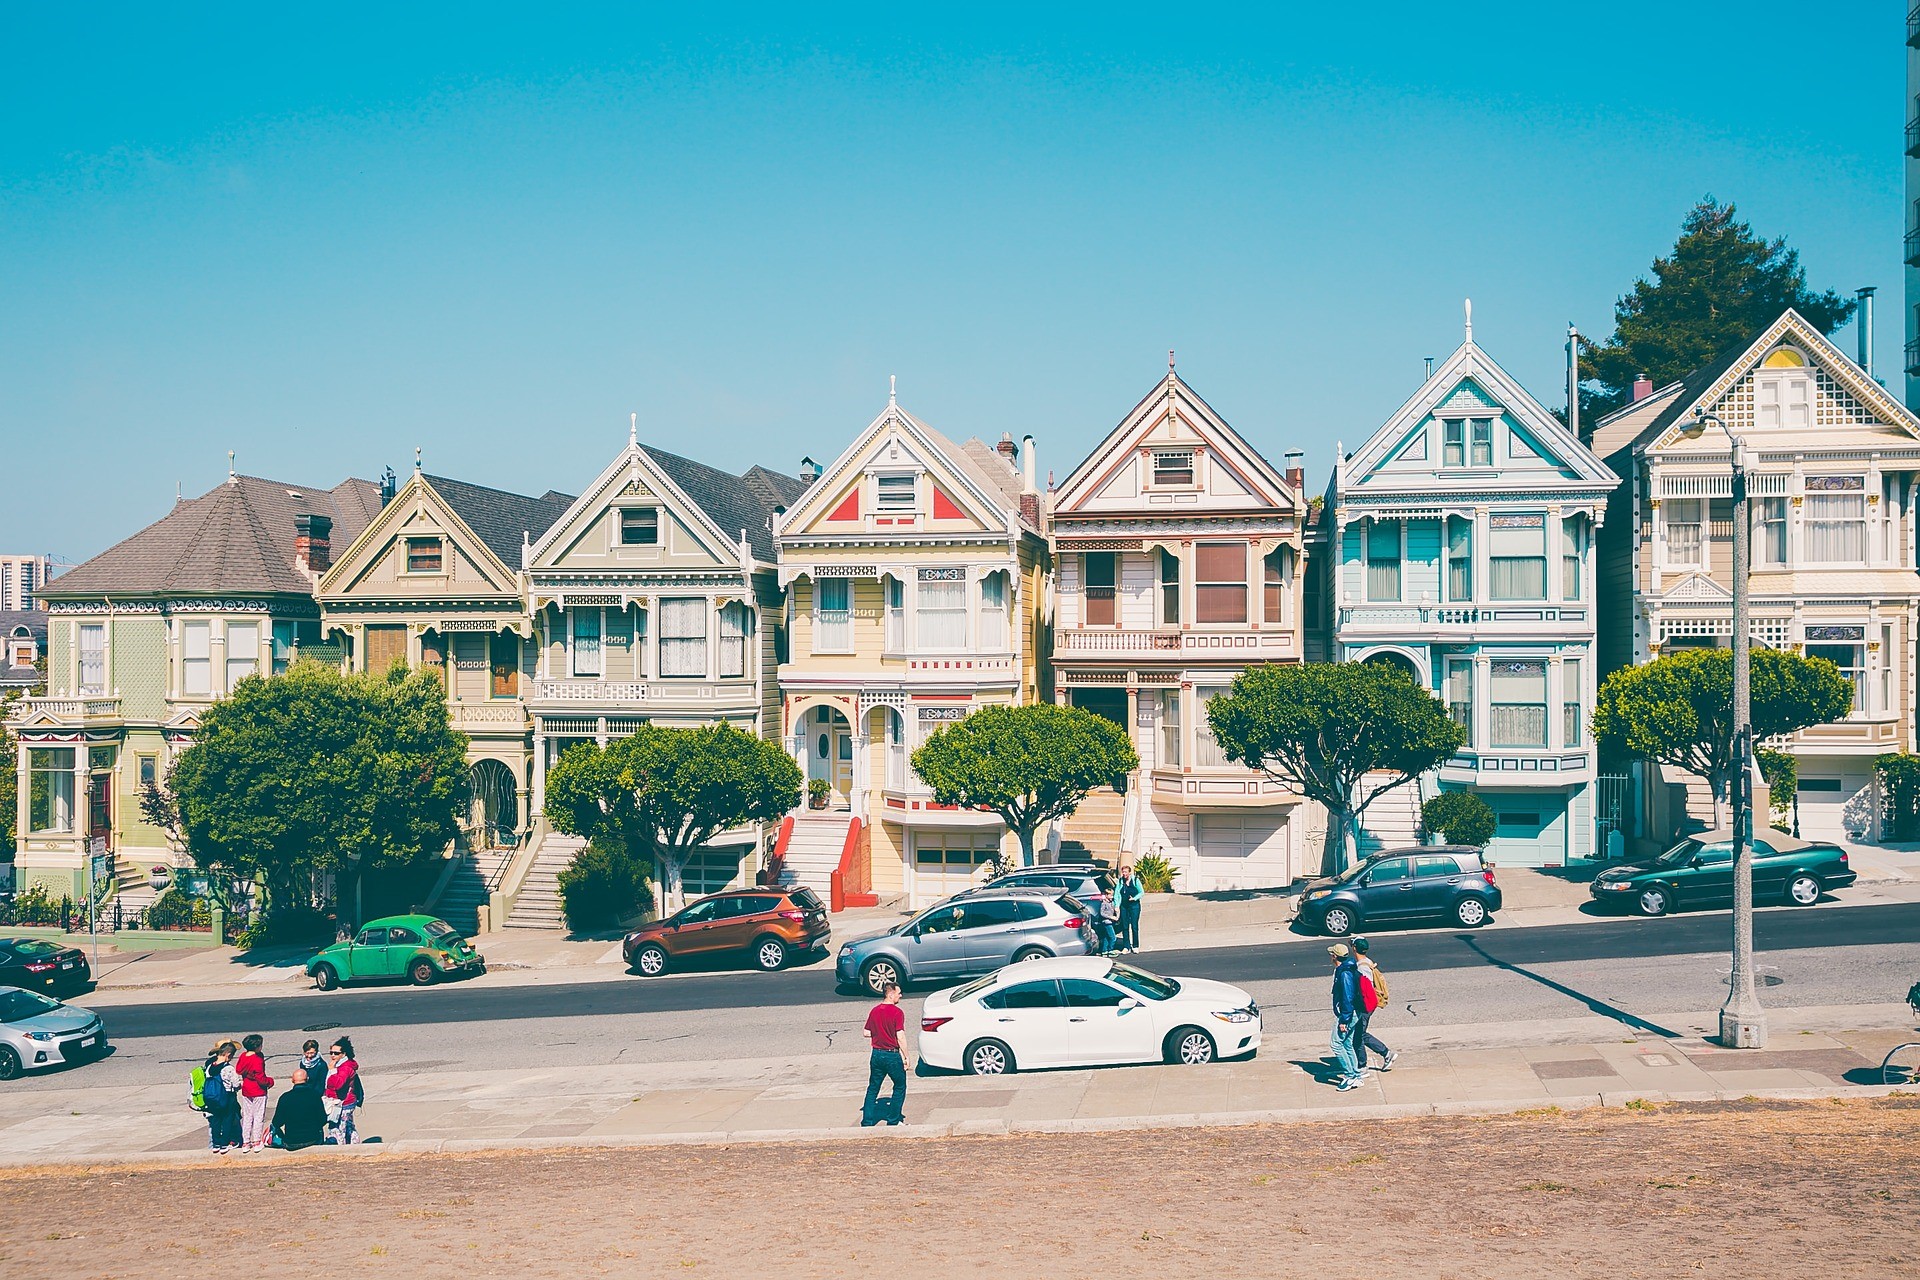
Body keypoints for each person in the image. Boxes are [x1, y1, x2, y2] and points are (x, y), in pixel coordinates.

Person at [861, 982, 908, 1127]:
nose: (900, 995)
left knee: (873, 1088)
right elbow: (900, 1036)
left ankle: (867, 1122)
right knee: (900, 1086)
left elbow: (866, 1032)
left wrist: (880, 1033)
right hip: (892, 1055)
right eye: (898, 993)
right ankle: (893, 1120)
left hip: (876, 1054)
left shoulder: (874, 1011)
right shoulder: (897, 1012)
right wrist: (906, 1056)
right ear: (891, 993)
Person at [1350, 937, 1398, 1072]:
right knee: (1359, 1034)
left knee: (1359, 1035)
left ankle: (1369, 1062)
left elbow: (1365, 989)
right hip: (1368, 1004)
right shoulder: (1366, 961)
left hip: (1365, 1005)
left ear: (1354, 948)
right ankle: (1365, 1062)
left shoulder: (1362, 968)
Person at [1327, 944, 1364, 1091]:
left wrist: (1344, 1020)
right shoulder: (1349, 968)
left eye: (1332, 954)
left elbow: (1347, 998)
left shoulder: (1344, 974)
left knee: (1336, 1044)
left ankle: (1350, 1076)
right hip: (1354, 1012)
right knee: (1347, 1044)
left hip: (1348, 1014)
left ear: (1335, 956)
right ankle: (1356, 1075)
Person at [270, 1068, 329, 1150]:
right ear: (307, 1079)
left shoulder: (285, 1098)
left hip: (292, 1142)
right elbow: (323, 1119)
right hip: (312, 1139)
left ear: (292, 1080)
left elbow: (276, 1123)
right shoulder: (314, 1096)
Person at [235, 1033, 276, 1151]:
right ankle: (257, 1141)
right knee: (258, 1116)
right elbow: (261, 1078)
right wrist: (270, 1082)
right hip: (258, 1090)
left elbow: (238, 1070)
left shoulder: (243, 1056)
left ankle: (246, 1142)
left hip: (246, 1090)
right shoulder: (257, 1059)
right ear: (257, 1046)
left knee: (247, 1116)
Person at [198, 1041, 240, 1152]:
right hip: (227, 1096)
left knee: (216, 1120)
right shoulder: (228, 1068)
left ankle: (216, 1144)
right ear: (228, 1055)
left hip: (212, 1098)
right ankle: (224, 1144)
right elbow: (235, 1084)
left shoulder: (210, 1067)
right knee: (227, 1119)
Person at [324, 1036, 363, 1145]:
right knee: (348, 1126)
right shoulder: (341, 1065)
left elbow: (337, 1084)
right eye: (331, 1052)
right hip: (345, 1102)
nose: (332, 1055)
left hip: (342, 1103)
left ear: (344, 1054)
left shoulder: (345, 1068)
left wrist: (332, 1071)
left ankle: (340, 1147)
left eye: (336, 1053)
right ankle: (355, 1144)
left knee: (338, 1128)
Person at [1116, 867, 1143, 953]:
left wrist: (1134, 898)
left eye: (1126, 872)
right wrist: (1117, 905)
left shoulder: (1135, 880)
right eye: (1123, 872)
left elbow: (1141, 892)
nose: (1124, 874)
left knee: (1134, 926)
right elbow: (1117, 893)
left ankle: (1135, 945)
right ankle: (1126, 946)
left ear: (1130, 873)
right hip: (1124, 906)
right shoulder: (1121, 881)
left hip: (1134, 906)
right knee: (1125, 926)